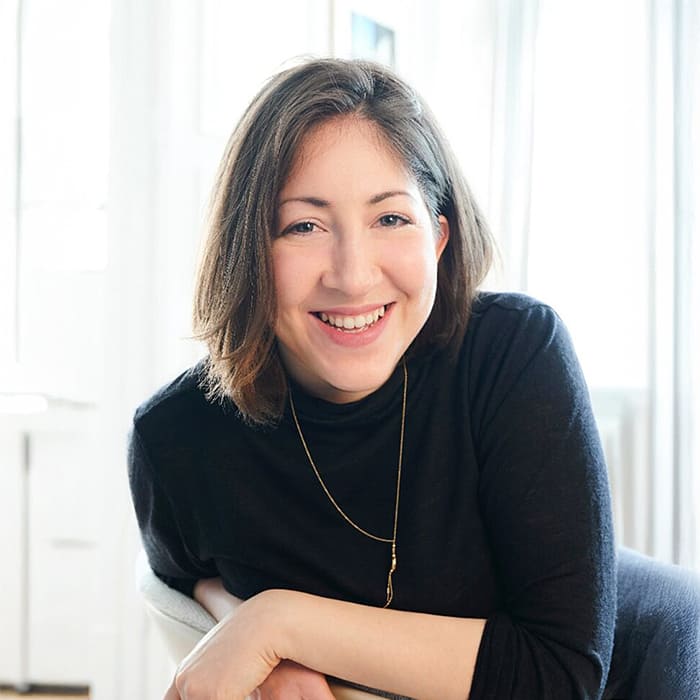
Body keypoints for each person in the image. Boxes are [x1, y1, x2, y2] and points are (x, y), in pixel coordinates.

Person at [128, 58, 700, 699]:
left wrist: (279, 625)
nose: (352, 276)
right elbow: (179, 581)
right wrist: (245, 627)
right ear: (249, 249)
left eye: (390, 219)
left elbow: (560, 677)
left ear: (439, 238)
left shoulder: (513, 352)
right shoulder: (176, 436)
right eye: (304, 226)